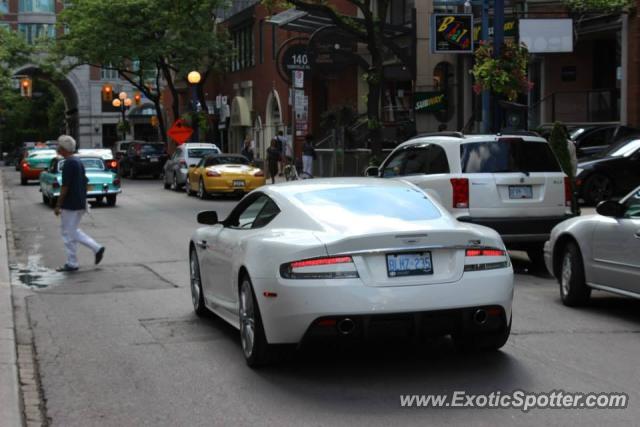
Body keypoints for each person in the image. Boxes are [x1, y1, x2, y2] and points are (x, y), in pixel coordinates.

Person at [54, 135, 105, 272]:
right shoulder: (77, 161)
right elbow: (85, 181)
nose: (57, 148)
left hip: (70, 203)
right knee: (72, 231)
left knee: (68, 232)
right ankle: (77, 259)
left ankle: (79, 258)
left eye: (59, 146)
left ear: (64, 148)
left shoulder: (69, 163)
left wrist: (58, 204)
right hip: (79, 202)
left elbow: (65, 186)